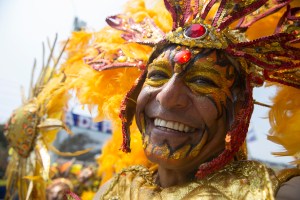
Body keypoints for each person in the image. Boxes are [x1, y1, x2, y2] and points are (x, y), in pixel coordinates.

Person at [61, 0, 300, 199]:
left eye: (203, 81)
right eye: (157, 76)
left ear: (240, 109)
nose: (167, 97)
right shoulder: (114, 189)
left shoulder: (272, 193)